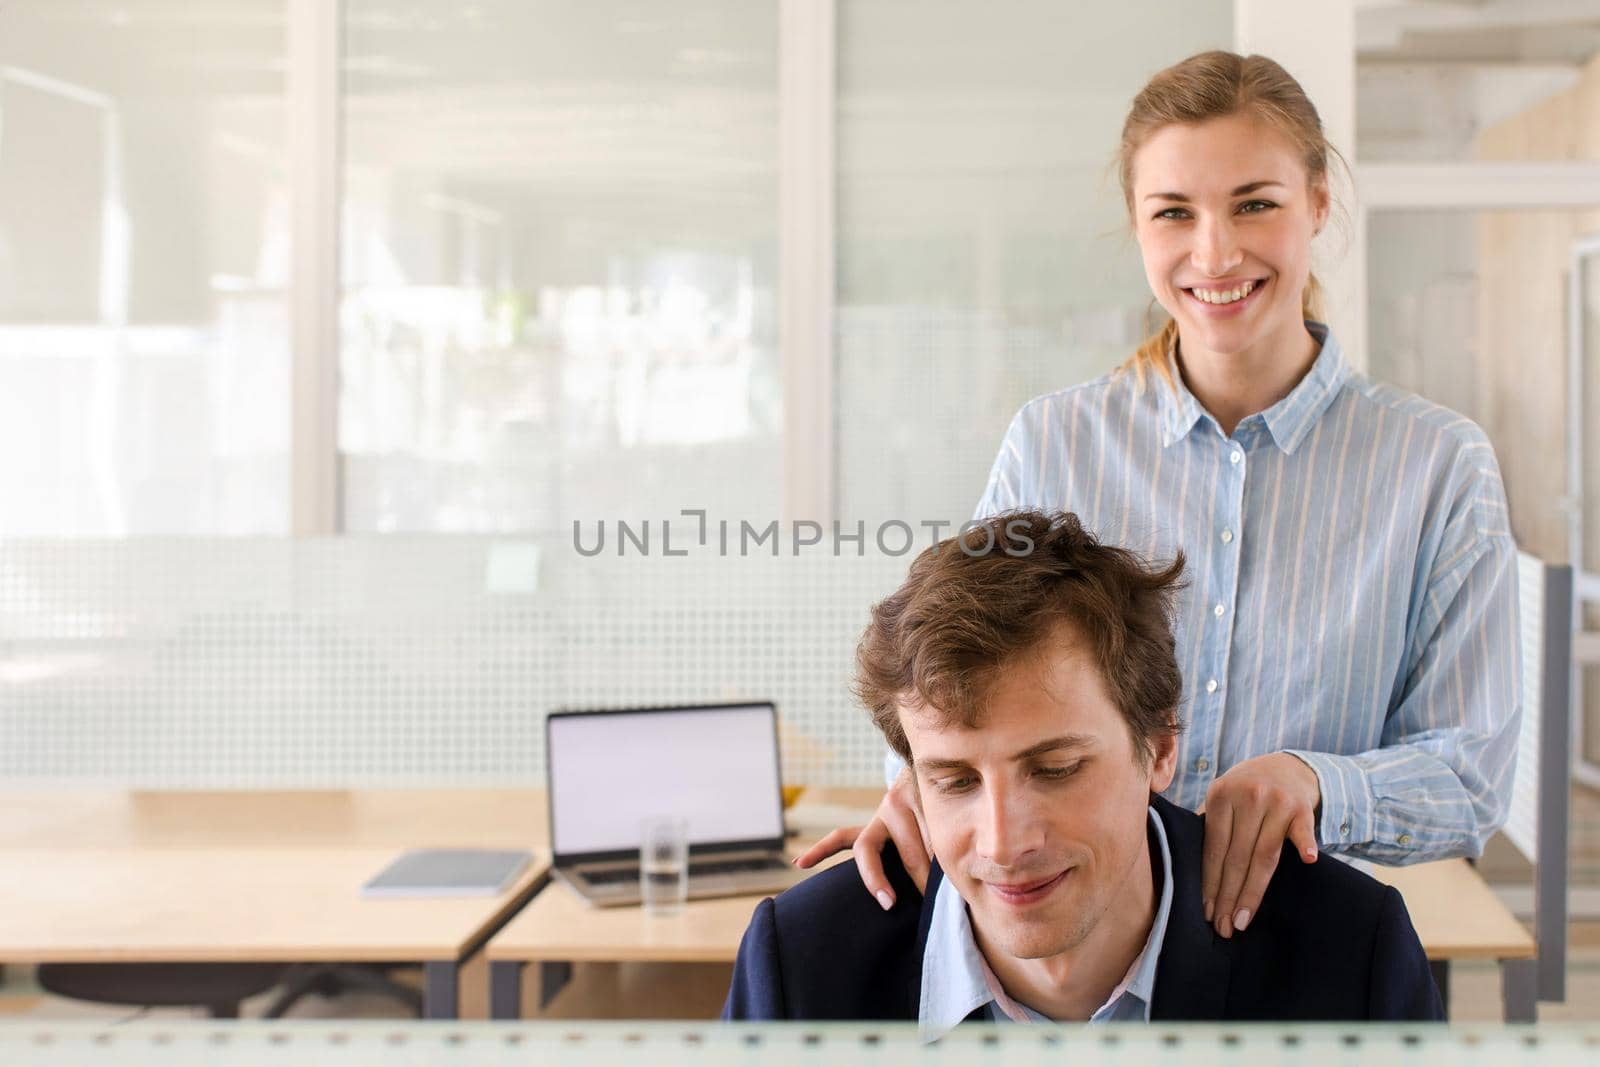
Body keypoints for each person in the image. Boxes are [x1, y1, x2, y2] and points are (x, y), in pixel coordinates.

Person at [798, 50, 1520, 941]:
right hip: (1068, 951)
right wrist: (917, 795)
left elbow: (1472, 778)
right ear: (1139, 227)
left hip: (1302, 954)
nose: (1214, 251)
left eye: (1255, 203)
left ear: (1320, 203)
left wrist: (1321, 782)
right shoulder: (1054, 441)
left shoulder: (1439, 466)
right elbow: (948, 672)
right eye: (1174, 212)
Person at [725, 512, 1443, 1027]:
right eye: (955, 781)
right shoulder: (799, 968)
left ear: (1160, 746)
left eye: (1057, 768)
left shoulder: (1351, 955)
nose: (1003, 843)